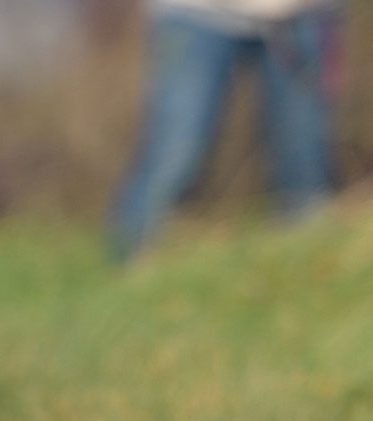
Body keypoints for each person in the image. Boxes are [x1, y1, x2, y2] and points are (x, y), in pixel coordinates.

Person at [109, 0, 343, 260]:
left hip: (301, 14)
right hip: (195, 12)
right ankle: (129, 261)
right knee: (174, 150)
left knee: (303, 156)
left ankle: (311, 267)